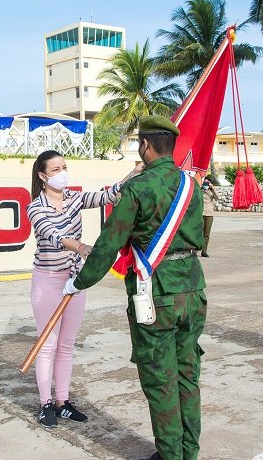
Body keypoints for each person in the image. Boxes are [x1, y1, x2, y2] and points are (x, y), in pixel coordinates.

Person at [64, 115, 206, 460]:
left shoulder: (138, 188)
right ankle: (189, 452)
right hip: (193, 289)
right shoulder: (192, 186)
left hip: (156, 294)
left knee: (159, 377)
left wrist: (79, 281)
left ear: (145, 145)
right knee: (187, 374)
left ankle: (171, 454)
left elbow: (108, 244)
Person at [27, 150, 141, 428]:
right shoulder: (36, 207)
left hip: (75, 280)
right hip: (48, 281)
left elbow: (108, 195)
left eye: (64, 167)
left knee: (66, 345)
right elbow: (52, 235)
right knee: (47, 345)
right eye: (55, 170)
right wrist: (81, 247)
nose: (62, 173)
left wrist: (135, 172)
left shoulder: (73, 198)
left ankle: (62, 402)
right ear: (42, 176)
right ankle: (45, 405)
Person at [201, 176, 219, 256]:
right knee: (198, 233)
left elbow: (217, 197)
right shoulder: (200, 190)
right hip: (201, 213)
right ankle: (195, 250)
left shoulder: (211, 192)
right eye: (205, 182)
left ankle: (204, 251)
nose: (206, 184)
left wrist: (212, 188)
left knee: (206, 234)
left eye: (207, 183)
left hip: (209, 214)